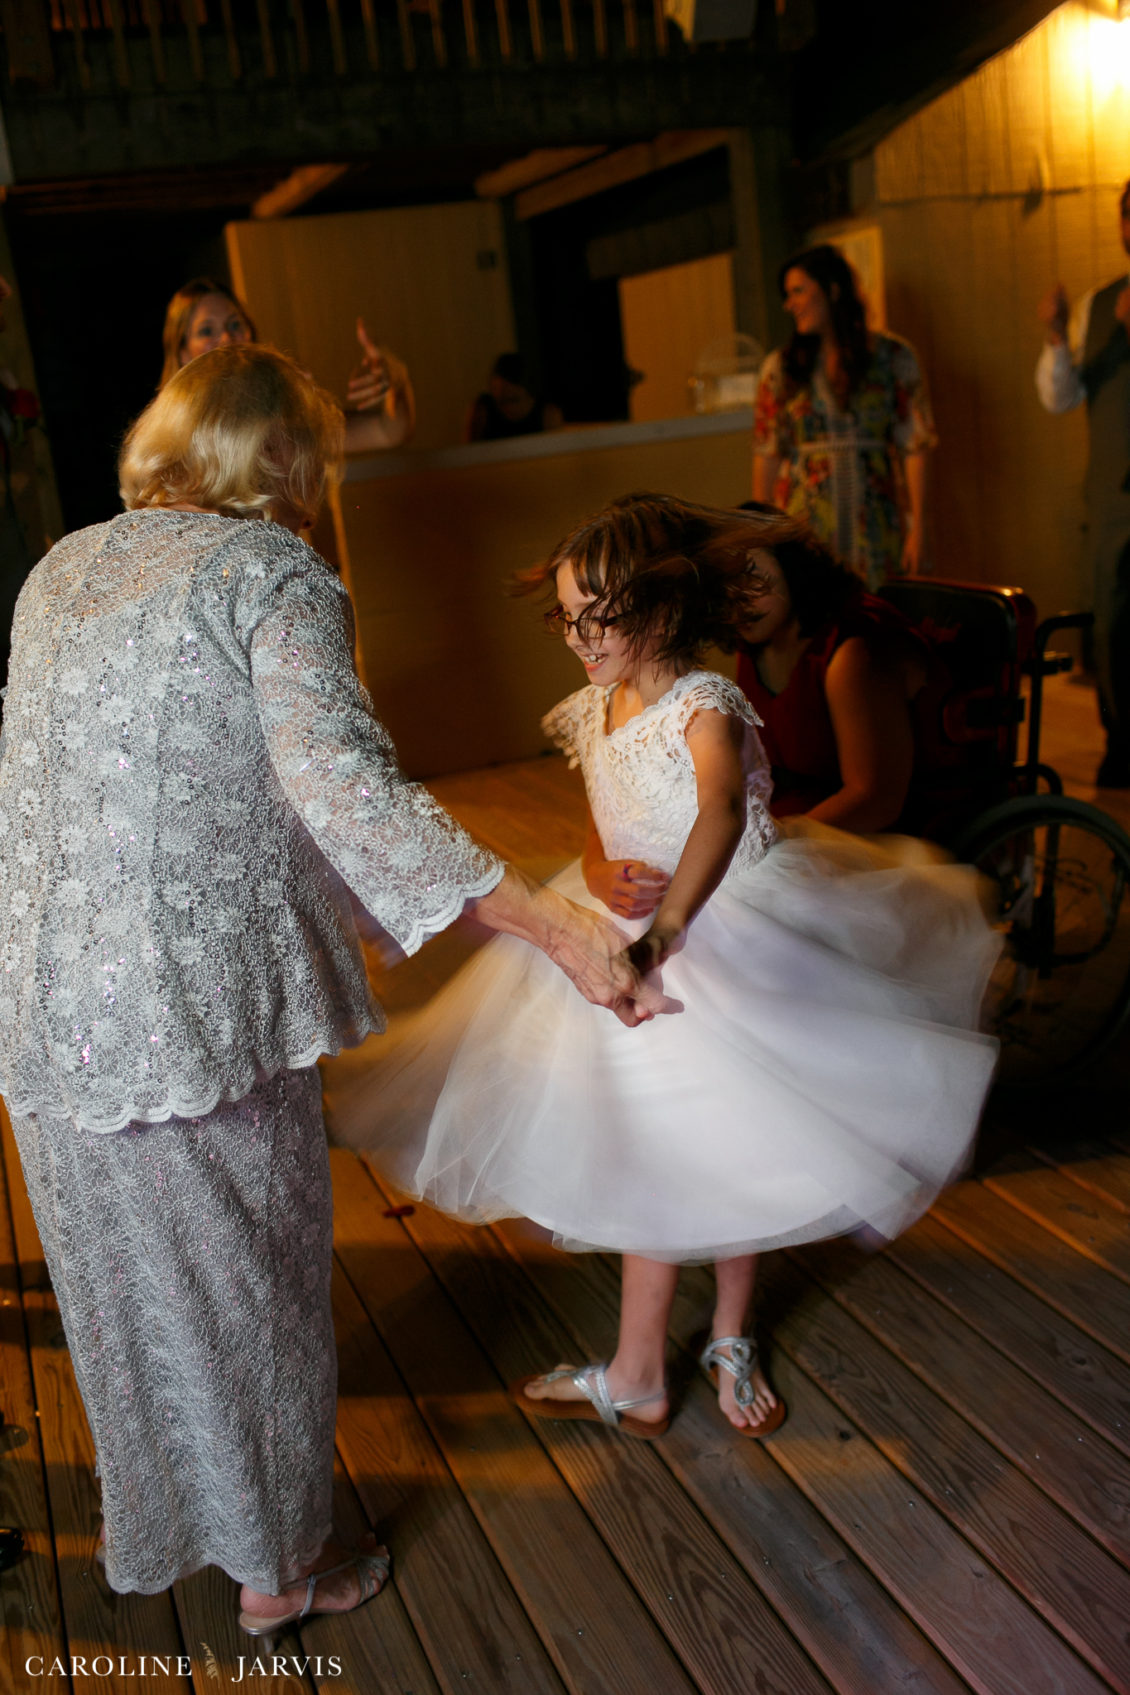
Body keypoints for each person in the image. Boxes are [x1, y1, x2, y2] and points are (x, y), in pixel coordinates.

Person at [0, 346, 661, 1629]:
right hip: (192, 1015)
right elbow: (338, 789)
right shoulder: (269, 573)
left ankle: (209, 1538)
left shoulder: (60, 567)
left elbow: (178, 786)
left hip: (44, 1007)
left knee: (136, 1301)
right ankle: (280, 1574)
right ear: (286, 460)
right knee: (249, 1286)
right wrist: (554, 929)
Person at [331, 493, 1000, 1441]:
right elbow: (606, 830)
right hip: (623, 936)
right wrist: (604, 873)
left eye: (597, 615)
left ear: (660, 609)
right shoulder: (599, 705)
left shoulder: (705, 704)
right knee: (661, 1141)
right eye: (566, 615)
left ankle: (720, 1337)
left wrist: (670, 926)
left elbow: (721, 813)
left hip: (719, 939)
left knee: (729, 1140)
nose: (578, 635)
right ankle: (642, 1368)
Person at [732, 509, 937, 833]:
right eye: (722, 586)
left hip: (875, 836)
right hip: (797, 824)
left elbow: (875, 799)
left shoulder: (850, 651)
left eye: (751, 573)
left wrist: (773, 843)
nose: (737, 597)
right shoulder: (755, 643)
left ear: (791, 563)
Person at [752, 245, 936, 589]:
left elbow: (916, 444)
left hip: (877, 523)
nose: (789, 304)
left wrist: (918, 527)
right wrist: (760, 537)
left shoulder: (892, 358)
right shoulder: (782, 369)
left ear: (833, 290)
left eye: (798, 291)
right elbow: (767, 453)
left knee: (875, 620)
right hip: (805, 529)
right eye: (786, 295)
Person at [1036, 180, 1130, 789]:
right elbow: (1059, 397)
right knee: (1114, 624)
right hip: (1114, 498)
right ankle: (1122, 741)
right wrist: (1055, 337)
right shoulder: (1101, 303)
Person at [160, 276, 416, 453]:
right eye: (206, 331)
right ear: (183, 353)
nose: (227, 337)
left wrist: (397, 379)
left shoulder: (279, 414)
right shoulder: (173, 436)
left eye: (236, 324)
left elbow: (388, 431)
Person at [465, 352, 563, 443]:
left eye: (513, 400)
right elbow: (471, 453)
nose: (508, 409)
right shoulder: (483, 411)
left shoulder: (548, 414)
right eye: (501, 402)